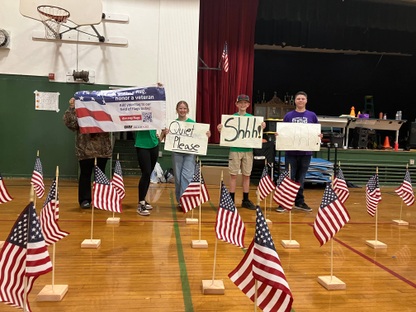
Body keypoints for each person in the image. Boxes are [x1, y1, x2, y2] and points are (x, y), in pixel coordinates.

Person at [217, 94, 265, 210]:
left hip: (248, 150)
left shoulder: (252, 119)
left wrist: (262, 127)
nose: (243, 105)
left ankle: (245, 199)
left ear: (248, 104)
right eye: (241, 103)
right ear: (237, 104)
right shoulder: (231, 118)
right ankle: (232, 199)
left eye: (245, 103)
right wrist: (220, 130)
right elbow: (227, 135)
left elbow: (256, 134)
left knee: (246, 175)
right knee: (233, 175)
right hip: (235, 149)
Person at [275, 91, 321, 213]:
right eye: (298, 99)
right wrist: (279, 134)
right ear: (295, 101)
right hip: (291, 152)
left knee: (300, 178)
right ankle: (285, 202)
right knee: (289, 177)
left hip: (306, 153)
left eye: (302, 99)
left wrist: (319, 136)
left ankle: (299, 202)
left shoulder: (312, 115)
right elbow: (284, 131)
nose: (300, 100)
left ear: (306, 101)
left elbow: (316, 131)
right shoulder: (288, 115)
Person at [63, 97, 112, 209]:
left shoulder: (105, 112)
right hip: (85, 148)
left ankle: (101, 199)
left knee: (101, 175)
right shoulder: (81, 112)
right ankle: (85, 200)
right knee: (85, 174)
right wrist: (71, 108)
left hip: (102, 148)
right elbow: (71, 124)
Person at [160, 100, 211, 208]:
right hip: (177, 153)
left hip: (189, 153)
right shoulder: (172, 124)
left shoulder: (193, 123)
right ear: (177, 110)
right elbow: (163, 139)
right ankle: (179, 199)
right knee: (178, 178)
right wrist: (165, 133)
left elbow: (200, 136)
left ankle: (184, 201)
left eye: (184, 108)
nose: (182, 110)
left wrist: (207, 134)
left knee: (187, 177)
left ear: (187, 110)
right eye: (180, 108)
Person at [135, 129, 161, 216]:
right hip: (142, 144)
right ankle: (141, 203)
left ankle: (143, 200)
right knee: (145, 173)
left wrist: (160, 135)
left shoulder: (156, 115)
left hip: (154, 144)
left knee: (149, 174)